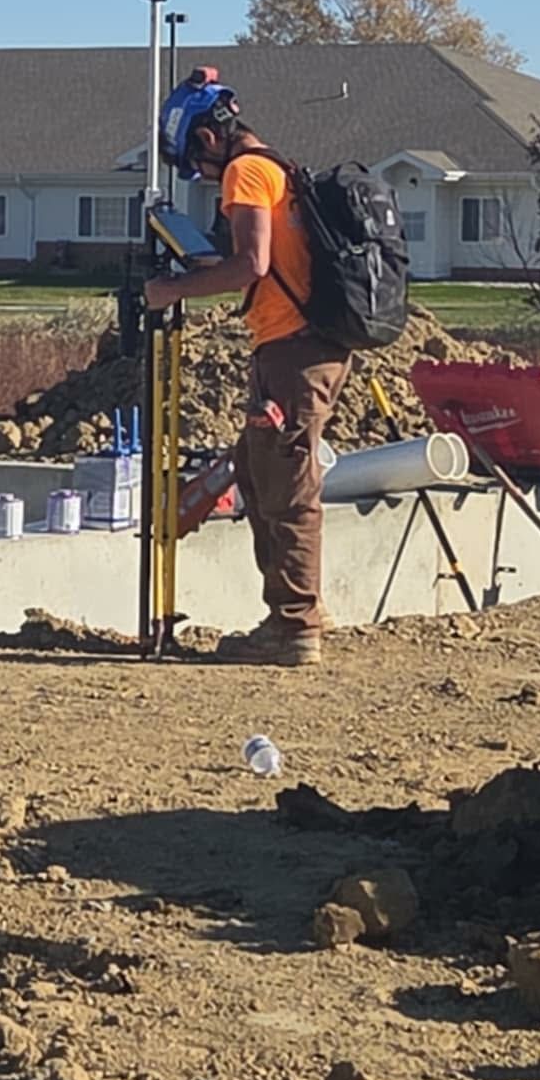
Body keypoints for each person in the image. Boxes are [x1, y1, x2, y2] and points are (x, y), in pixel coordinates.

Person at [144, 71, 350, 666]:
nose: (201, 176)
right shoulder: (270, 167)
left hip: (296, 348)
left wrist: (173, 290)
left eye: (195, 162)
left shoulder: (246, 171)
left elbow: (251, 264)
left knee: (285, 484)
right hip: (290, 346)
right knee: (256, 472)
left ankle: (296, 628)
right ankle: (292, 612)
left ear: (209, 138)